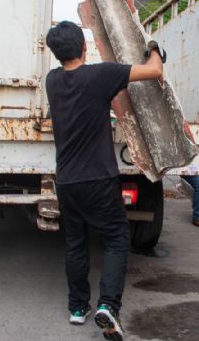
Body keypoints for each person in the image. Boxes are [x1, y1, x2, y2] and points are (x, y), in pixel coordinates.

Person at [45, 21, 164, 341]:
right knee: (115, 238)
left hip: (67, 180)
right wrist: (153, 48)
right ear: (84, 46)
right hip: (98, 178)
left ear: (55, 53)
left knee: (76, 241)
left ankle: (77, 307)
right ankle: (109, 305)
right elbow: (153, 71)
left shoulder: (52, 80)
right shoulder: (100, 75)